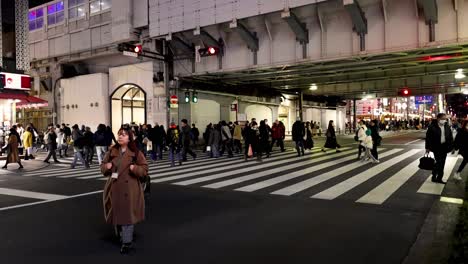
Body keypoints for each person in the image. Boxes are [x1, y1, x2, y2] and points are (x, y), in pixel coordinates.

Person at [101, 127, 148, 254]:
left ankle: (126, 242)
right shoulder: (112, 150)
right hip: (114, 188)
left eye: (124, 135)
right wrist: (107, 166)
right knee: (116, 213)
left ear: (129, 138)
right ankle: (121, 235)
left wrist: (135, 168)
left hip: (130, 189)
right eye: (119, 134)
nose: (120, 137)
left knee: (127, 216)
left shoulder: (136, 152)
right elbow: (102, 167)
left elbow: (144, 170)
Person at [425, 113, 453, 184]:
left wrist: (452, 147)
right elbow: (428, 138)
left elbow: (450, 137)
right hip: (436, 147)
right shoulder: (432, 127)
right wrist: (427, 148)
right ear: (438, 119)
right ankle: (434, 175)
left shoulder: (447, 126)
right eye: (442, 119)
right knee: (438, 162)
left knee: (442, 163)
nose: (444, 120)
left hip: (444, 147)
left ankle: (439, 178)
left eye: (445, 119)